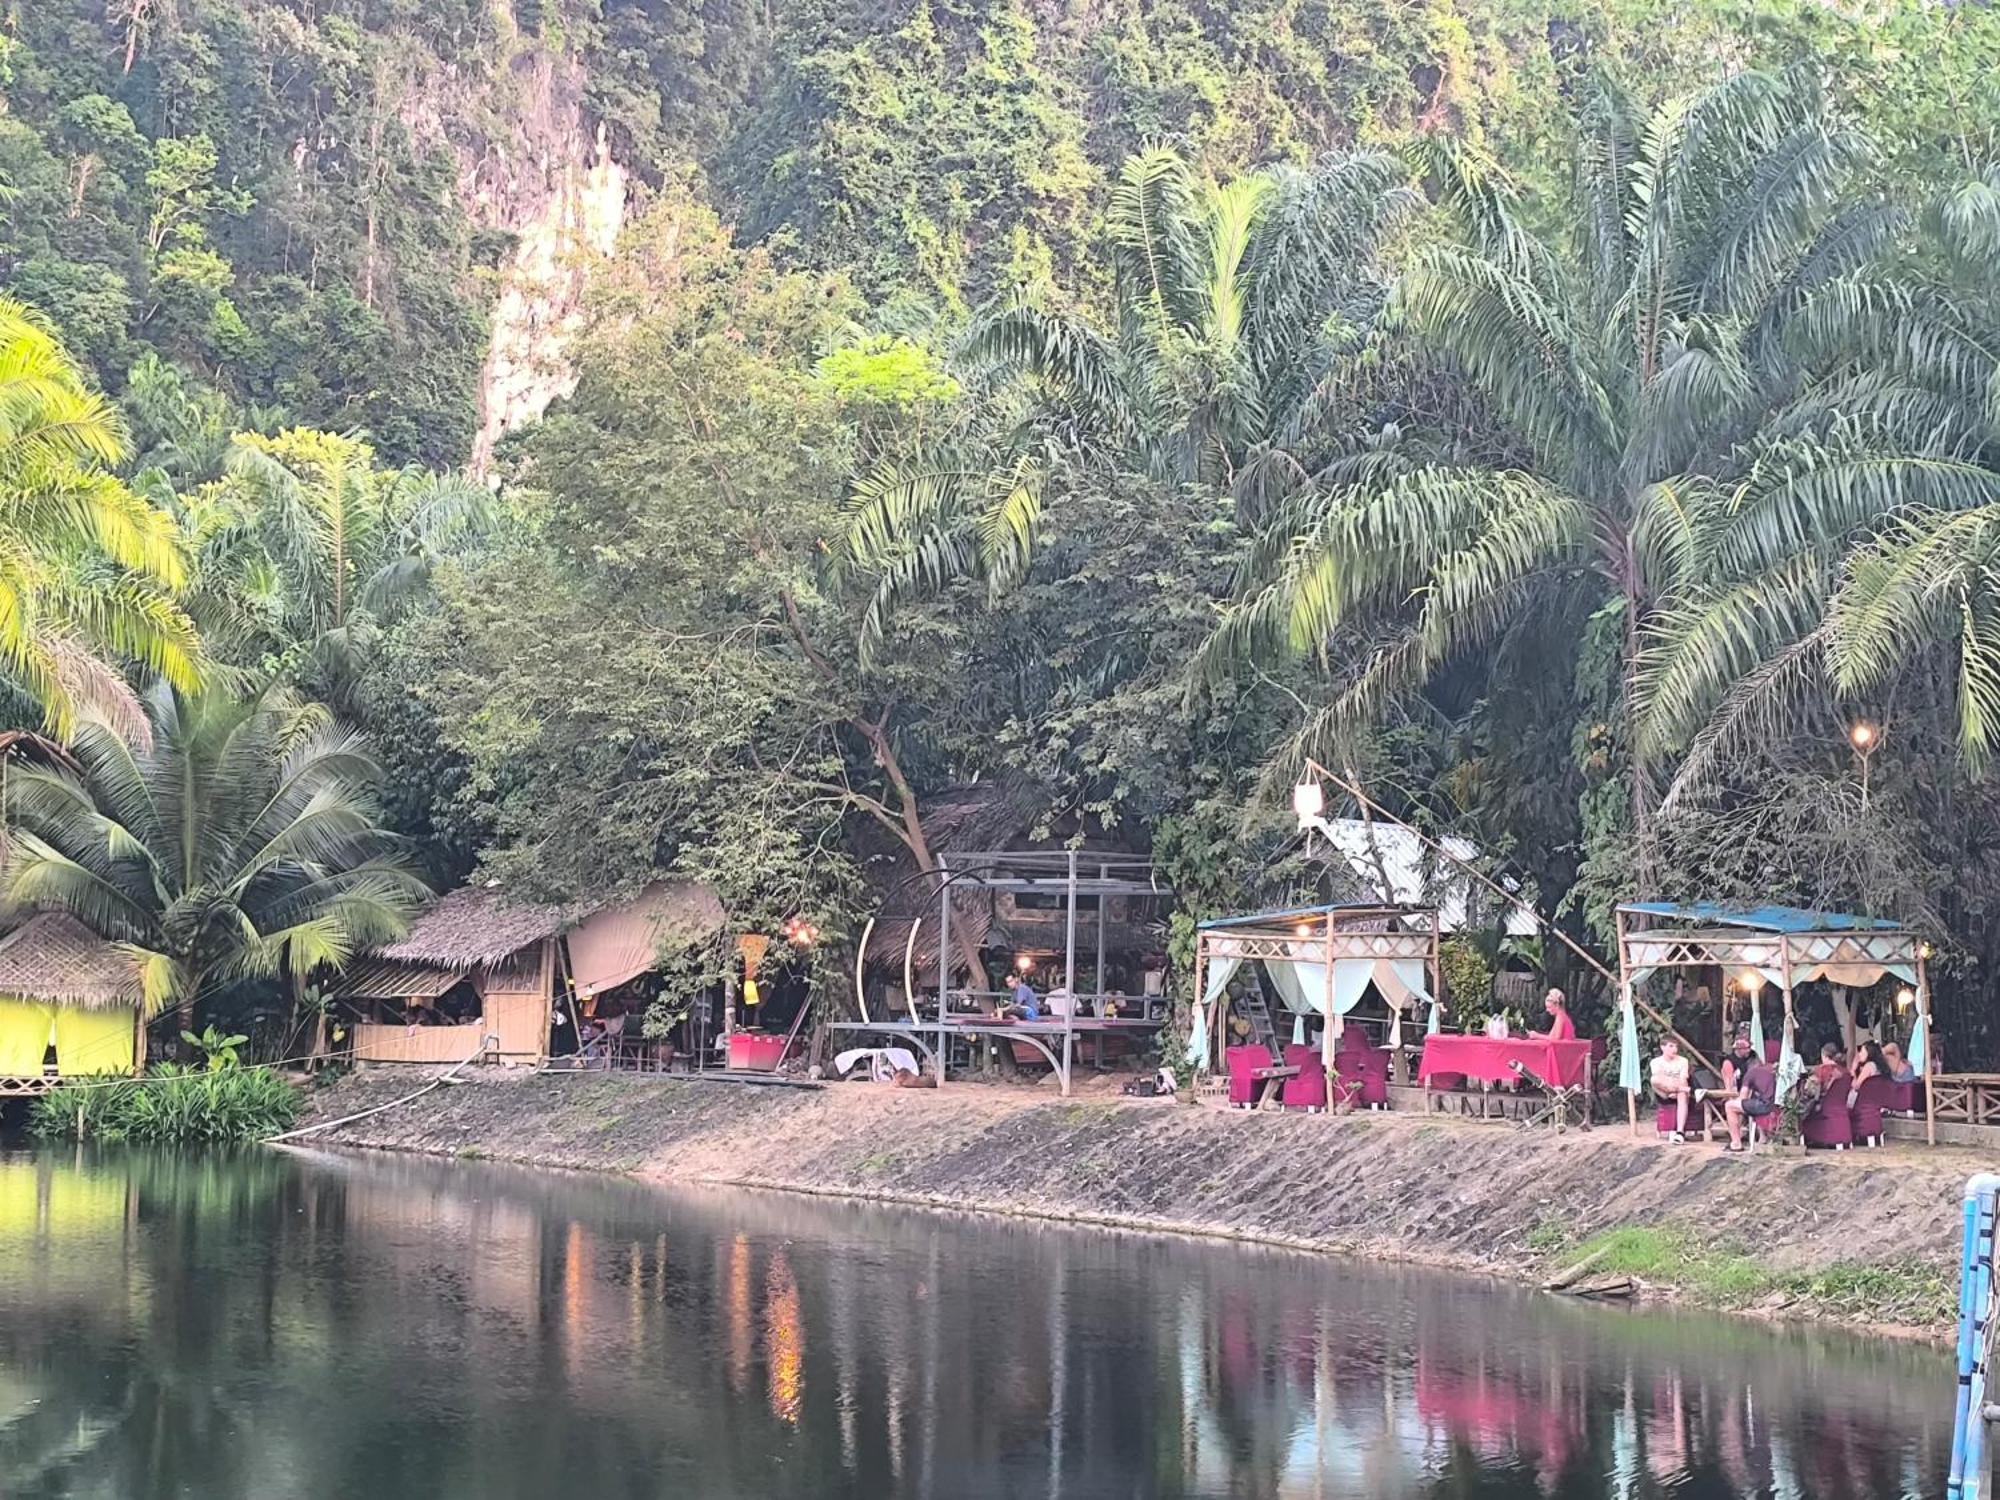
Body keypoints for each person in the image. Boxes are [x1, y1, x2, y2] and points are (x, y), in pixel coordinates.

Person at [1724, 1048, 1778, 1152]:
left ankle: (1736, 1143)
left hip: (1765, 1105)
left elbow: (1742, 1098)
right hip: (1777, 1106)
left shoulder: (1751, 1073)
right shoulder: (1771, 1068)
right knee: (1749, 1104)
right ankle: (1762, 1137)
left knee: (1730, 1106)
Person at [1650, 1038, 1695, 1141]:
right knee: (1654, 1080)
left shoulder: (1683, 1061)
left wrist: (1677, 1088)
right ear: (1662, 1047)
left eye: (1676, 1046)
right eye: (1671, 1046)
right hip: (1664, 1093)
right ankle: (1686, 1090)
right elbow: (1659, 1078)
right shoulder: (1656, 1062)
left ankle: (1680, 1132)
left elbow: (1683, 1078)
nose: (1674, 1049)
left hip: (1680, 1092)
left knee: (1682, 1093)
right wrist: (1673, 1087)